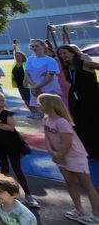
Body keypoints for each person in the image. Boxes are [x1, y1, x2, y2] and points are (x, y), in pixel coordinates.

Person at [39, 93, 99, 224]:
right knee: (69, 182)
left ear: (50, 105)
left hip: (75, 157)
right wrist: (52, 153)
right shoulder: (46, 120)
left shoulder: (62, 122)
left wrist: (59, 155)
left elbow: (67, 142)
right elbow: (47, 138)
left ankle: (96, 216)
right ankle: (79, 210)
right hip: (60, 156)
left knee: (87, 185)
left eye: (40, 104)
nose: (38, 106)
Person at [0, 89, 37, 208]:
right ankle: (5, 193)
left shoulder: (7, 113)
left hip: (12, 144)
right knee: (4, 168)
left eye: (3, 100)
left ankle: (28, 195)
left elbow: (11, 128)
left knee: (17, 169)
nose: (2, 103)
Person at [57, 44, 99, 158]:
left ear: (73, 53)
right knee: (81, 125)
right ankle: (90, 151)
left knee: (94, 123)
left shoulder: (84, 64)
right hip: (76, 100)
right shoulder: (67, 68)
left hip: (91, 98)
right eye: (60, 54)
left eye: (65, 53)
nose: (62, 56)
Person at [24, 39, 62, 119]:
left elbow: (49, 78)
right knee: (42, 112)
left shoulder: (51, 60)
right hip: (35, 89)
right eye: (32, 46)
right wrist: (33, 86)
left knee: (54, 112)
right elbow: (27, 73)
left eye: (37, 46)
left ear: (44, 47)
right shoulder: (30, 59)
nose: (34, 48)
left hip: (49, 89)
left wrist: (35, 87)